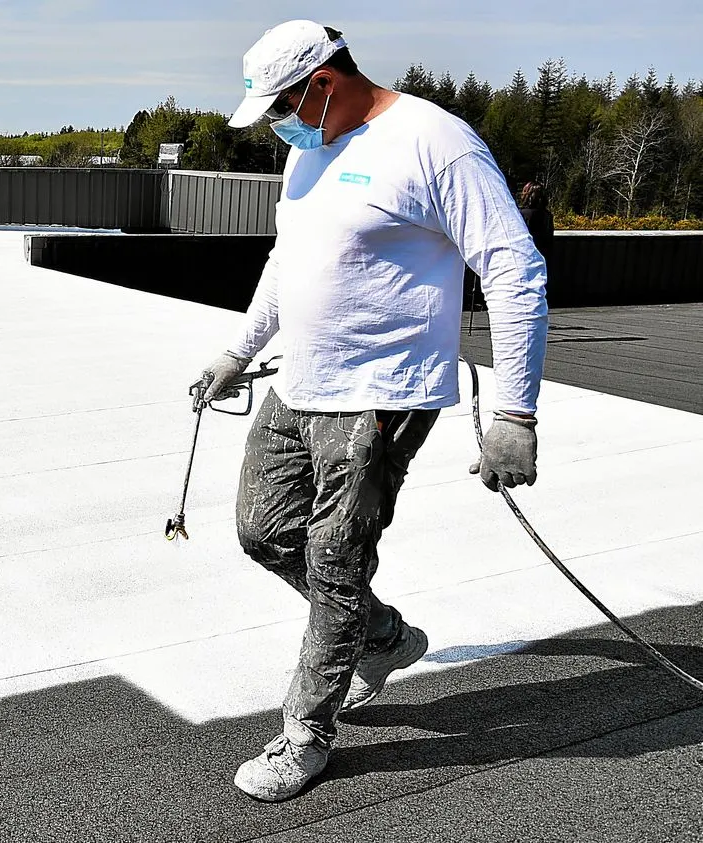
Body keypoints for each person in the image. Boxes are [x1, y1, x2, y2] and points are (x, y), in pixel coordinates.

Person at [196, 20, 549, 802]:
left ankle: (305, 733)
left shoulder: (434, 142)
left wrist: (515, 415)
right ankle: (381, 637)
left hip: (382, 397)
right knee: (263, 530)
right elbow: (287, 262)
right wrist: (238, 351)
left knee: (334, 560)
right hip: (301, 383)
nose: (277, 125)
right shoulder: (309, 146)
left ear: (324, 82)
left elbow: (515, 270)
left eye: (282, 105)